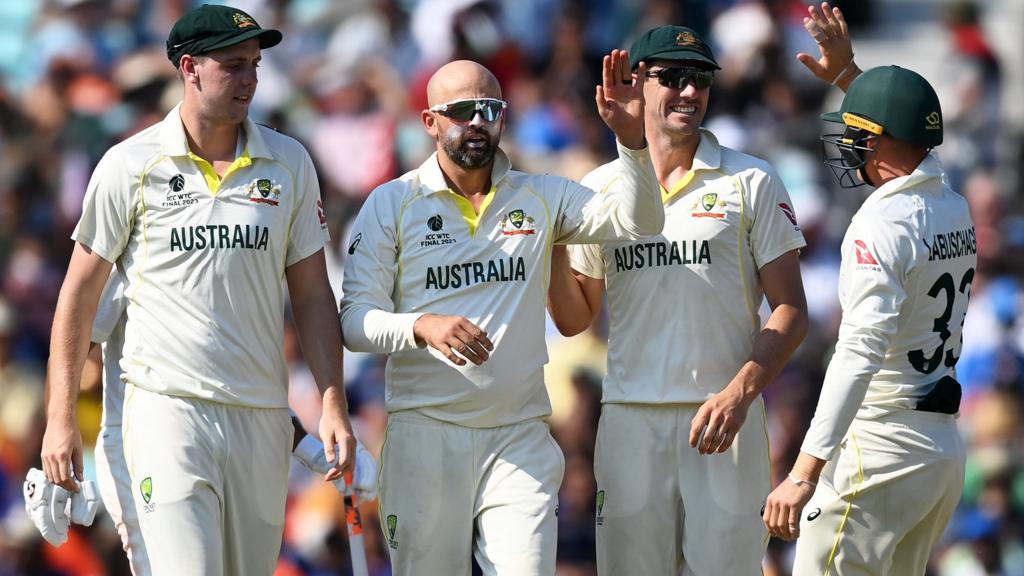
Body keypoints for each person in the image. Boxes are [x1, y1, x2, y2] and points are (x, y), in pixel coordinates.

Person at [39, 5, 355, 575]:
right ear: (190, 68)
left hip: (261, 415)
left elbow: (311, 296)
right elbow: (78, 298)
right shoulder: (128, 165)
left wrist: (332, 402)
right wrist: (59, 418)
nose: (250, 80)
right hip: (166, 410)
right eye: (233, 66)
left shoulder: (289, 163)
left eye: (254, 65)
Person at [339, 53, 663, 575]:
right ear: (429, 122)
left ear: (503, 117)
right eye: (460, 110)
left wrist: (632, 144)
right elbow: (354, 322)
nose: (475, 122)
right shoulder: (392, 203)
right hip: (425, 435)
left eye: (488, 109)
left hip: (518, 437)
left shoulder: (540, 195)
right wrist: (420, 325)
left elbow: (640, 221)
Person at [546, 25, 809, 575]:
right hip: (629, 424)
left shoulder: (752, 180)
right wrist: (547, 246)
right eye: (673, 78)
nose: (690, 92)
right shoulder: (598, 189)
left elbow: (791, 310)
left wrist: (740, 393)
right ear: (634, 83)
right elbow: (575, 320)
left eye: (701, 79)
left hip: (724, 425)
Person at [763, 5, 977, 575]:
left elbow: (858, 352)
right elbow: (909, 138)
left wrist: (804, 472)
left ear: (882, 142)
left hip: (879, 450)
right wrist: (849, 75)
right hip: (939, 452)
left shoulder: (881, 224)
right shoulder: (951, 203)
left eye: (859, 134)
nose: (849, 145)